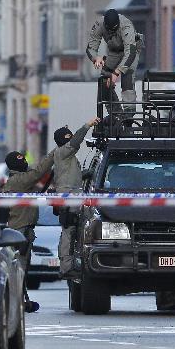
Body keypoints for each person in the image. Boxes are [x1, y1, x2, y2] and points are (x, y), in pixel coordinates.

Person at [0, 149, 56, 312]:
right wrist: (54, 153)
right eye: (21, 160)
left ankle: (21, 300)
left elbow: (38, 179)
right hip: (19, 231)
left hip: (24, 230)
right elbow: (38, 172)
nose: (24, 162)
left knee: (22, 268)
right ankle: (15, 302)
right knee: (19, 268)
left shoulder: (20, 181)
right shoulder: (17, 181)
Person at [52, 118, 101, 277]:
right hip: (68, 199)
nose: (72, 141)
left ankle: (72, 264)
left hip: (73, 197)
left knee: (74, 230)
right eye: (69, 138)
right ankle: (66, 267)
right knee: (69, 231)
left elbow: (71, 176)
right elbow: (76, 141)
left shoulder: (68, 158)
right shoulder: (62, 152)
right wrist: (87, 125)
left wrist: (86, 174)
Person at [87, 9, 143, 111]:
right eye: (109, 30)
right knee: (104, 78)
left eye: (114, 29)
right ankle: (114, 111)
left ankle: (129, 111)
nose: (112, 32)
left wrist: (117, 72)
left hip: (131, 51)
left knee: (127, 78)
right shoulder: (99, 24)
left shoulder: (126, 26)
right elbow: (91, 48)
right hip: (114, 51)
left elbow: (130, 53)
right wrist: (96, 58)